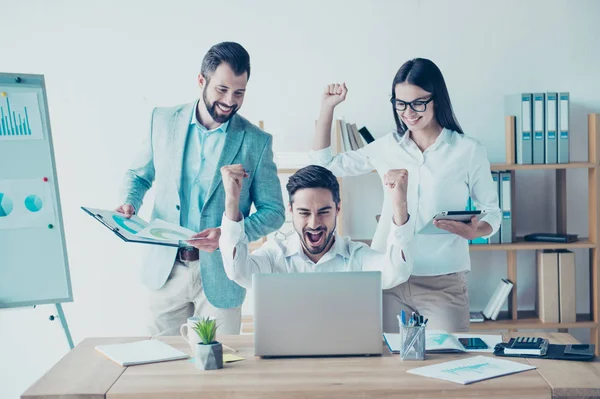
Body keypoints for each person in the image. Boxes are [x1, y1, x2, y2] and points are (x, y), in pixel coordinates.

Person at [310, 58, 501, 333]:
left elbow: (492, 212)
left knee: (446, 363)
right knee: (386, 369)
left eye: (418, 103)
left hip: (442, 280)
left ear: (438, 100)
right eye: (400, 103)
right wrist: (327, 107)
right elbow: (323, 166)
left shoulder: (467, 150)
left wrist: (476, 231)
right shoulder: (387, 147)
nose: (408, 112)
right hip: (388, 277)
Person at [116, 42, 285, 336]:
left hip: (222, 277)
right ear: (201, 81)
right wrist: (129, 202)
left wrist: (228, 234)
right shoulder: (162, 120)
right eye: (222, 90)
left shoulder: (257, 142)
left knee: (221, 371)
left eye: (239, 93)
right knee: (159, 366)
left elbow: (274, 212)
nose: (230, 101)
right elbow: (138, 175)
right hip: (165, 271)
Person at [218, 164, 413, 290]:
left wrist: (400, 205)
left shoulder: (357, 256)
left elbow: (397, 272)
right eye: (304, 213)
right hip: (287, 350)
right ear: (291, 211)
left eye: (323, 212)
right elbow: (239, 272)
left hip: (346, 351)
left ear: (337, 208)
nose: (313, 223)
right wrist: (232, 201)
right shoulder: (274, 254)